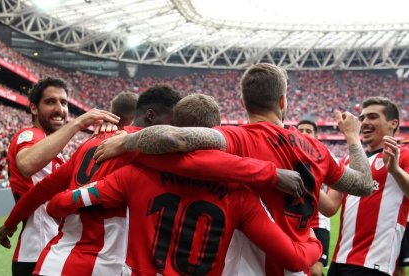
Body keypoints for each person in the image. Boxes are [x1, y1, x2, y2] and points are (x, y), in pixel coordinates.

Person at [92, 63, 373, 275]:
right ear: (283, 101)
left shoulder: (237, 138)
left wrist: (127, 141)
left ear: (242, 103)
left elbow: (173, 138)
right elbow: (362, 184)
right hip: (297, 262)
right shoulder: (319, 149)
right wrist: (352, 137)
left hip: (247, 266)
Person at [45, 94, 323, 275]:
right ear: (214, 132)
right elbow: (295, 259)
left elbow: (59, 203)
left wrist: (63, 207)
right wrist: (314, 243)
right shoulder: (239, 195)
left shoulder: (136, 172)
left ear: (178, 127)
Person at [6, 77, 119, 276]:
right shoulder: (31, 135)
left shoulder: (51, 147)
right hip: (37, 249)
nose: (60, 109)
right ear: (34, 108)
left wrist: (9, 225)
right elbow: (26, 164)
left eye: (64, 102)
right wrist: (78, 122)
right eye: (51, 102)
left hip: (47, 248)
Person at [328, 97, 409, 276]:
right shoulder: (349, 160)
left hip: (373, 264)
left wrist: (394, 170)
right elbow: (329, 207)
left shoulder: (404, 155)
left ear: (393, 123)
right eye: (362, 118)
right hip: (338, 261)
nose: (364, 122)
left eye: (372, 117)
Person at [298, 120, 331, 276]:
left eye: (308, 131)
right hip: (297, 220)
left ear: (316, 136)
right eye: (301, 130)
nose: (304, 133)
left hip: (318, 221)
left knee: (316, 270)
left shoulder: (324, 158)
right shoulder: (289, 156)